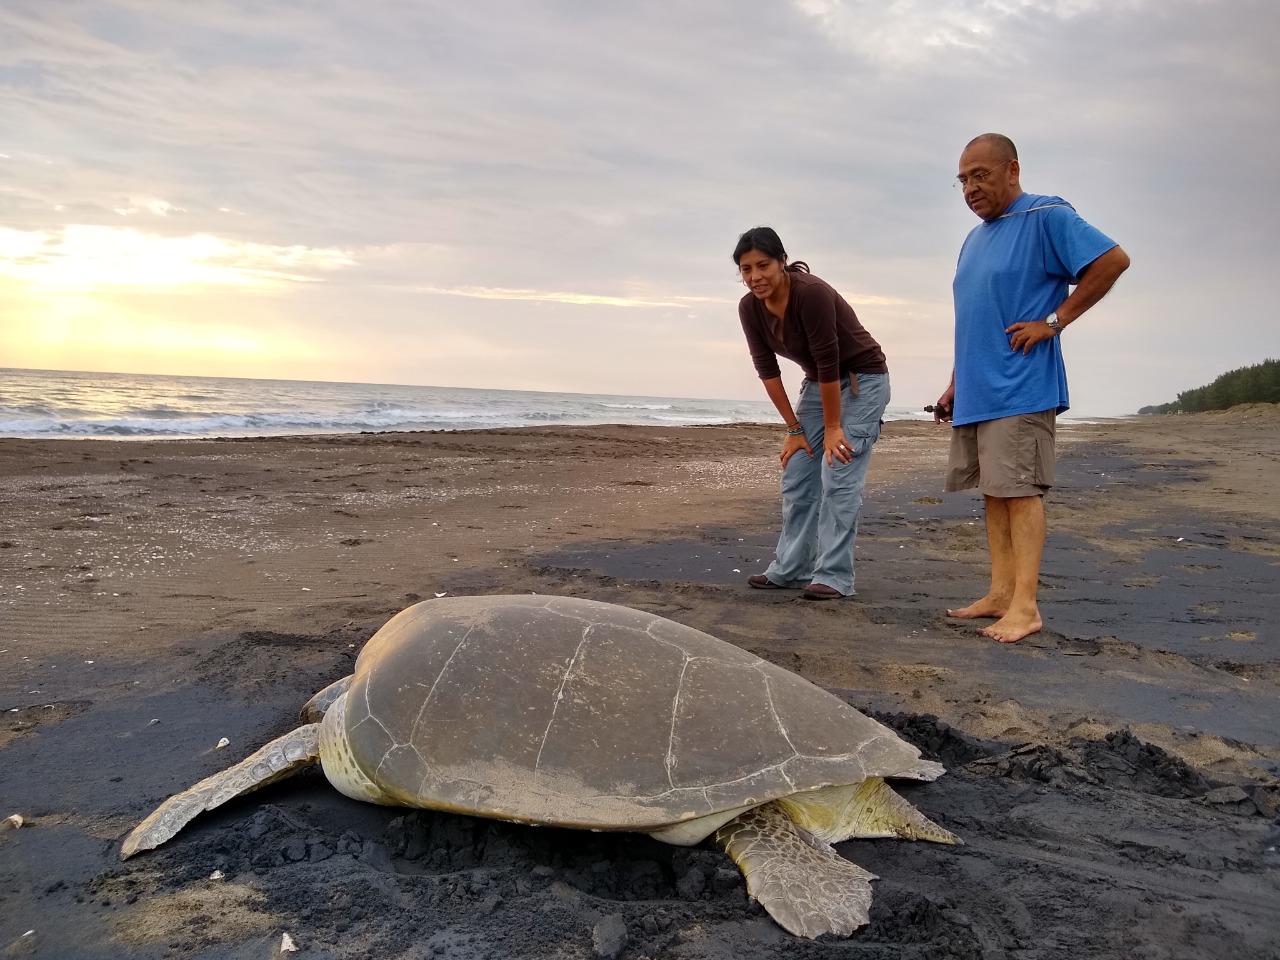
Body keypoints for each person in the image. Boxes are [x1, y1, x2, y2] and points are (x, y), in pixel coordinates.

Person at [935, 133, 1130, 642]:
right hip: (979, 389)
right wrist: (956, 381)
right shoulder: (974, 239)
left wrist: (1054, 319)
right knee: (994, 492)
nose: (970, 188)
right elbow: (975, 315)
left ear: (1012, 170)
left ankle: (1026, 605)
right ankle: (1001, 593)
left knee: (1020, 491)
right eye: (963, 180)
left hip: (1021, 384)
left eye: (980, 175)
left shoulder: (1045, 215)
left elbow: (1112, 260)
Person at [735, 226, 890, 600]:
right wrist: (793, 429)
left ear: (783, 261)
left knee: (838, 474)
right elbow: (766, 369)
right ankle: (791, 569)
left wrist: (835, 427)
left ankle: (835, 576)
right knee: (799, 474)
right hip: (818, 387)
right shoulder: (749, 307)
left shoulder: (811, 294)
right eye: (745, 268)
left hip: (861, 382)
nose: (755, 276)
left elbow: (828, 358)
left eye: (763, 265)